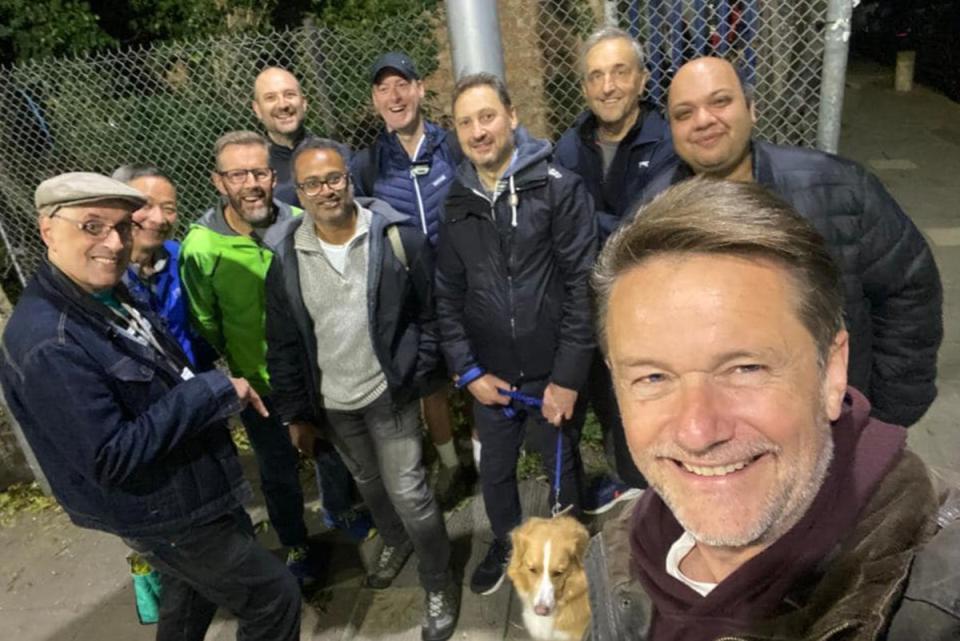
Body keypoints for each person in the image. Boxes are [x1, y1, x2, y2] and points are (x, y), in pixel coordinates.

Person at [585, 177, 960, 640]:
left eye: (745, 368)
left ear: (831, 370)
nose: (699, 430)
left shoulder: (938, 601)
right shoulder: (617, 551)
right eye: (653, 377)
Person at [0, 172, 301, 641]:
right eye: (93, 226)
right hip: (164, 511)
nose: (114, 243)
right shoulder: (47, 342)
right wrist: (211, 392)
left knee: (189, 597)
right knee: (273, 598)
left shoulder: (105, 291)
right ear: (47, 229)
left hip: (183, 488)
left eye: (122, 227)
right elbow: (108, 456)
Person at [637, 55, 942, 428]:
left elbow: (909, 289)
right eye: (684, 113)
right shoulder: (649, 219)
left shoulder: (839, 190)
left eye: (720, 102)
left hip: (835, 428)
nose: (703, 120)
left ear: (752, 110)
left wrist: (883, 415)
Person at [264, 137, 459, 641]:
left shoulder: (395, 238)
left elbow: (430, 313)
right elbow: (283, 342)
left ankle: (439, 580)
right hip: (333, 405)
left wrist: (418, 369)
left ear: (349, 180)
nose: (325, 191)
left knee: (410, 492)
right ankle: (394, 541)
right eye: (312, 183)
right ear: (299, 193)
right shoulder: (286, 255)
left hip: (388, 395)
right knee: (369, 486)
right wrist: (295, 414)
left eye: (334, 179)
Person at [179, 131, 367, 588]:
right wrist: (242, 366)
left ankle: (341, 511)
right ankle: (295, 541)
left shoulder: (302, 221)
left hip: (314, 374)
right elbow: (205, 320)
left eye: (260, 172)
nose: (251, 183)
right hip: (260, 388)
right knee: (277, 470)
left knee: (329, 452)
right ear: (218, 181)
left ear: (273, 174)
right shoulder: (201, 248)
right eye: (237, 174)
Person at [435, 73, 597, 596]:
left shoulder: (558, 188)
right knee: (497, 474)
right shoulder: (456, 203)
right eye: (466, 123)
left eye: (487, 117)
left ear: (511, 116)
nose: (478, 131)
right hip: (491, 377)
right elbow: (448, 298)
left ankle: (571, 552)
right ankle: (508, 548)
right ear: (455, 132)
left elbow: (582, 288)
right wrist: (468, 371)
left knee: (561, 468)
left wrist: (568, 378)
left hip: (551, 372)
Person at [555, 26, 673, 500]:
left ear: (642, 80)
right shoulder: (570, 145)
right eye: (596, 75)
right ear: (584, 86)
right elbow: (562, 227)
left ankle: (663, 497)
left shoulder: (666, 141)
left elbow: (642, 230)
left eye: (620, 72)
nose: (608, 86)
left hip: (652, 309)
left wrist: (584, 220)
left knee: (653, 407)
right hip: (593, 306)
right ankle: (630, 491)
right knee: (607, 405)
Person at [350, 51, 466, 508]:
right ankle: (452, 466)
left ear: (419, 89)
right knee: (431, 386)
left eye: (402, 84)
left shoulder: (452, 147)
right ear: (375, 99)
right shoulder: (369, 164)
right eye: (383, 88)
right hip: (412, 298)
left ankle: (484, 453)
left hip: (463, 285)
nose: (394, 95)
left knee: (474, 375)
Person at [111, 164, 215, 370]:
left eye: (169, 209)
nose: (159, 219)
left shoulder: (180, 257)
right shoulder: (101, 276)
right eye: (145, 205)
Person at [252, 66, 310, 207]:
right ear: (257, 109)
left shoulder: (337, 154)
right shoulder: (251, 171)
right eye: (270, 98)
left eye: (289, 95)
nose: (283, 104)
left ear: (304, 103)